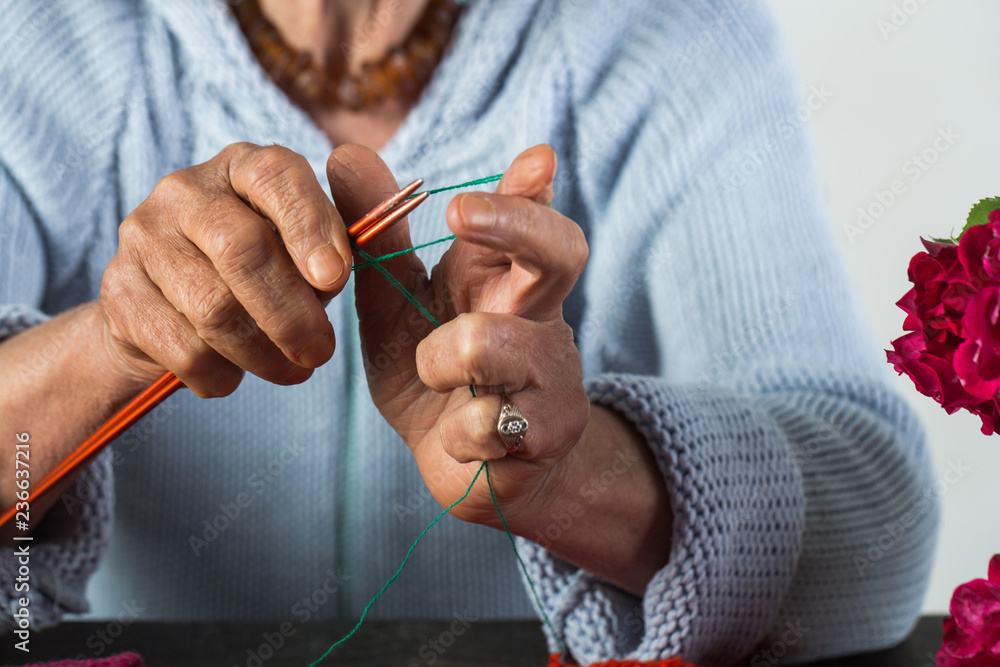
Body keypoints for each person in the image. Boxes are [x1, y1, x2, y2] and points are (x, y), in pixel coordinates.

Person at [0, 0, 938, 664]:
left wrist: (569, 475)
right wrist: (116, 344)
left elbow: (879, 527)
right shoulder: (41, 39)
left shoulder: (669, 35)